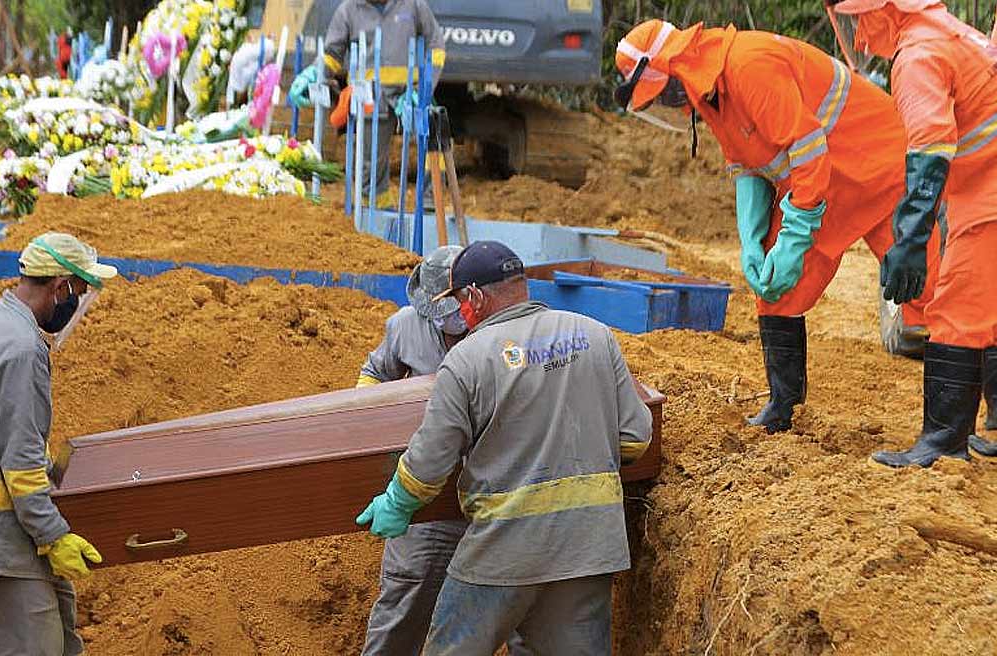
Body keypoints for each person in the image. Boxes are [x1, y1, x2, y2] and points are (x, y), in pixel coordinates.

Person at [613, 18, 940, 434]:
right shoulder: (710, 93)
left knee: (931, 292)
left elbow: (808, 152)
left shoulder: (750, 66)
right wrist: (751, 239)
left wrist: (796, 236)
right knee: (775, 287)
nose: (668, 106)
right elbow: (747, 164)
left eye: (661, 96)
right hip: (827, 180)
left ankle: (972, 418)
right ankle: (783, 405)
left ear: (676, 74)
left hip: (876, 168)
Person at [356, 240, 653, 655]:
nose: (459, 314)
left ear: (474, 296)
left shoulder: (467, 360)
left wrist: (397, 501)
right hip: (590, 547)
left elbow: (430, 460)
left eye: (460, 301)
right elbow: (636, 439)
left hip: (506, 546)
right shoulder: (595, 335)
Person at [0, 232, 117, 655]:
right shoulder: (22, 349)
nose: (77, 305)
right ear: (60, 286)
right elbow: (22, 464)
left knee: (63, 642)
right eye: (79, 292)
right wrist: (53, 535)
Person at [824, 0, 997, 466]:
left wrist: (911, 240)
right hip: (981, 189)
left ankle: (941, 443)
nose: (857, 33)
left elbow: (931, 148)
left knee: (957, 315)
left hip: (988, 197)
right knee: (989, 316)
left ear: (882, 11)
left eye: (857, 18)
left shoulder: (918, 55)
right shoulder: (948, 31)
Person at [356, 245, 529, 655]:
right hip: (424, 492)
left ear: (474, 297)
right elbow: (375, 374)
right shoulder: (403, 327)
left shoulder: (510, 332)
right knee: (405, 595)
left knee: (523, 608)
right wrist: (369, 425)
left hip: (498, 490)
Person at [288, 0, 445, 207]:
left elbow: (436, 46)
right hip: (370, 97)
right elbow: (332, 54)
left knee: (432, 143)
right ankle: (377, 215)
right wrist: (314, 73)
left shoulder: (413, 5)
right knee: (370, 169)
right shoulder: (348, 9)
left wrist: (422, 89)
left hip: (410, 93)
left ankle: (431, 203)